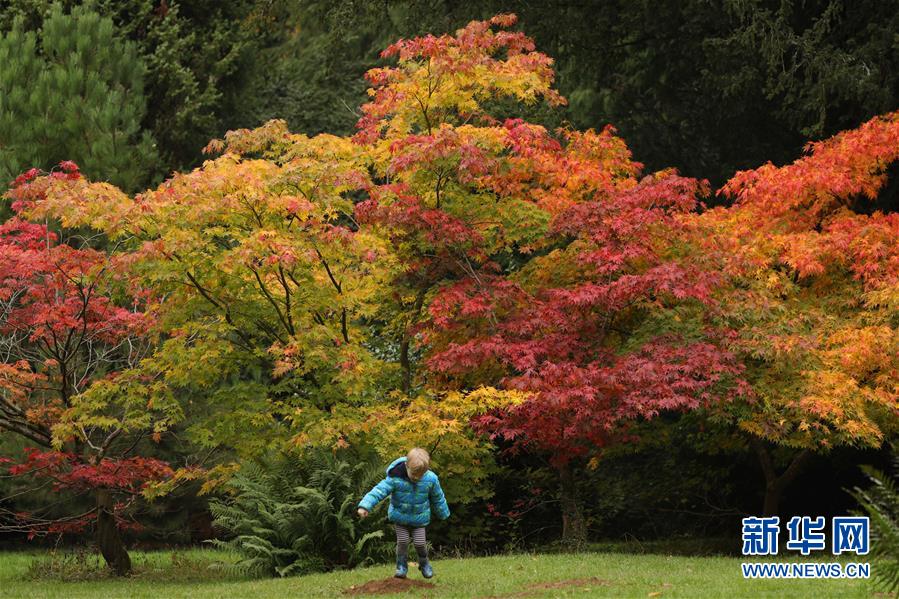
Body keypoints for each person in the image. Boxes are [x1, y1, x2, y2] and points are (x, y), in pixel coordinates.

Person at [357, 447, 450, 578]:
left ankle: (424, 564)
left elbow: (438, 497)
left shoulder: (431, 479)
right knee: (403, 541)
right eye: (414, 475)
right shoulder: (395, 477)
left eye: (420, 475)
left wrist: (443, 512)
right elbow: (379, 491)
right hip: (400, 518)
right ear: (406, 466)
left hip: (419, 518)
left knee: (419, 543)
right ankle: (401, 566)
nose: (417, 478)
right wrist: (365, 506)